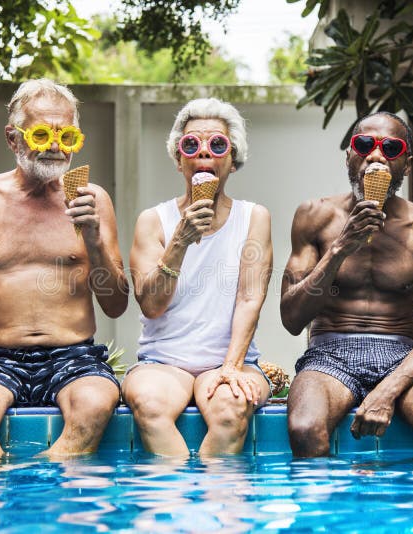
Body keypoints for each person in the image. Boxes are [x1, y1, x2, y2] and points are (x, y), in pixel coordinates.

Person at [0, 79, 128, 459]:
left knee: (95, 403)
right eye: (42, 134)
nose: (55, 146)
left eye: (67, 136)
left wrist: (93, 236)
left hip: (73, 355)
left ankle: (39, 485)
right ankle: (1, 496)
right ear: (13, 139)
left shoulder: (92, 199)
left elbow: (116, 304)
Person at [281, 111, 413, 458]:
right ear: (349, 155)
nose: (375, 155)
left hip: (402, 354)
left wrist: (389, 389)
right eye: (365, 144)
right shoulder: (315, 216)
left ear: (407, 164)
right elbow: (292, 319)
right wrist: (340, 249)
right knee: (304, 429)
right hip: (329, 352)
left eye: (391, 147)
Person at [123, 98, 272, 457]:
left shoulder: (254, 217)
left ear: (232, 160)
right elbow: (151, 305)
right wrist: (181, 240)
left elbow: (249, 299)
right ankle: (174, 503)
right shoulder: (152, 221)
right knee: (150, 405)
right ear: (179, 159)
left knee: (231, 408)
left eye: (217, 145)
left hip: (231, 360)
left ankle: (217, 503)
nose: (204, 153)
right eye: (191, 145)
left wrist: (232, 367)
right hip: (163, 362)